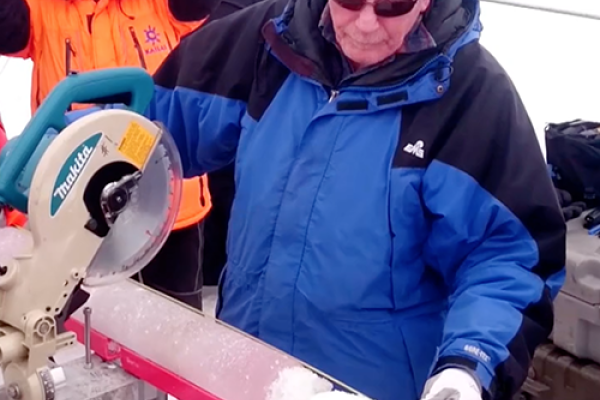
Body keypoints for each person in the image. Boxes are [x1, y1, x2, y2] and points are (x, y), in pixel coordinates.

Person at [70, 0, 567, 399]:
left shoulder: (472, 96)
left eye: (392, 4)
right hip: (246, 374)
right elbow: (152, 125)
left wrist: (467, 366)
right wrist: (78, 157)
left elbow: (506, 260)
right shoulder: (268, 42)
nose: (367, 22)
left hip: (375, 385)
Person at [0, 0, 219, 310]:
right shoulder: (38, 10)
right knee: (94, 330)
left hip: (169, 204)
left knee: (179, 330)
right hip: (78, 213)